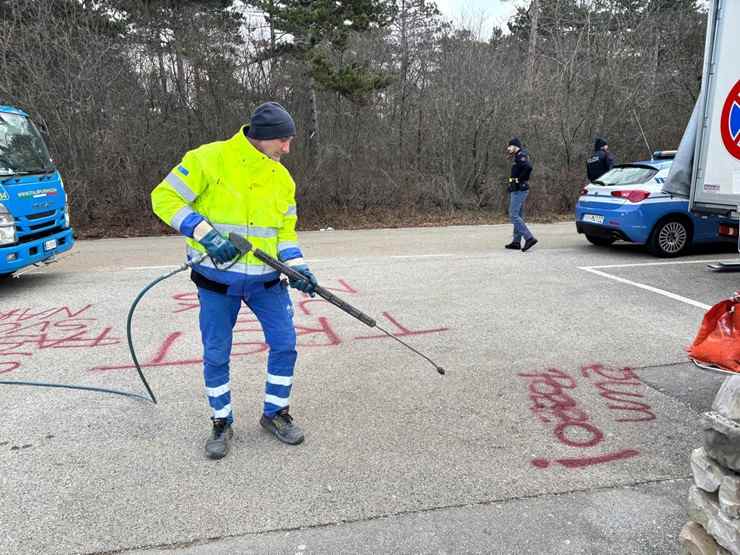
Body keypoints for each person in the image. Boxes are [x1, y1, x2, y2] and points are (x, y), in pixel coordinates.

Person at [151, 102, 316, 460]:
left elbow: (284, 233)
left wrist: (298, 268)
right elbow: (163, 197)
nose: (287, 150)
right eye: (283, 142)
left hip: (268, 283)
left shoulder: (281, 178)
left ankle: (275, 414)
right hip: (216, 281)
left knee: (285, 345)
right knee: (216, 353)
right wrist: (206, 235)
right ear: (262, 138)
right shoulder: (207, 159)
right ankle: (221, 421)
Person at [504, 138, 538, 252]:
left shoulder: (521, 155)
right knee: (518, 215)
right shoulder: (517, 156)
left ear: (515, 146)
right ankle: (516, 242)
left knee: (513, 215)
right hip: (517, 189)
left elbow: (528, 167)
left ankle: (529, 238)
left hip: (520, 190)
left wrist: (519, 179)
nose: (508, 148)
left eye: (510, 146)